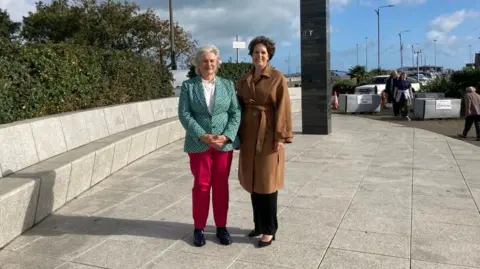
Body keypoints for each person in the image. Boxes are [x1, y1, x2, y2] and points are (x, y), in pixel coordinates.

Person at [177, 44, 241, 247]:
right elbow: (184, 113)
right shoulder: (189, 86)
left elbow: (235, 112)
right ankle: (199, 228)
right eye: (204, 60)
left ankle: (221, 227)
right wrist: (201, 135)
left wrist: (227, 136)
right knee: (202, 186)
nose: (209, 64)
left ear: (217, 63)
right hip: (199, 144)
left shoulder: (227, 84)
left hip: (223, 145)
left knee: (221, 186)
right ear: (198, 64)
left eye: (212, 60)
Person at [236, 36, 293, 248]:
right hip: (249, 134)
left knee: (267, 182)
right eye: (256, 52)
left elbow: (283, 107)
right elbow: (239, 107)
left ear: (269, 56)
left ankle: (270, 229)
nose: (259, 56)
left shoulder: (277, 77)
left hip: (269, 134)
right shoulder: (245, 79)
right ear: (251, 54)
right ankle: (258, 225)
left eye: (263, 53)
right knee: (253, 181)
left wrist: (281, 136)